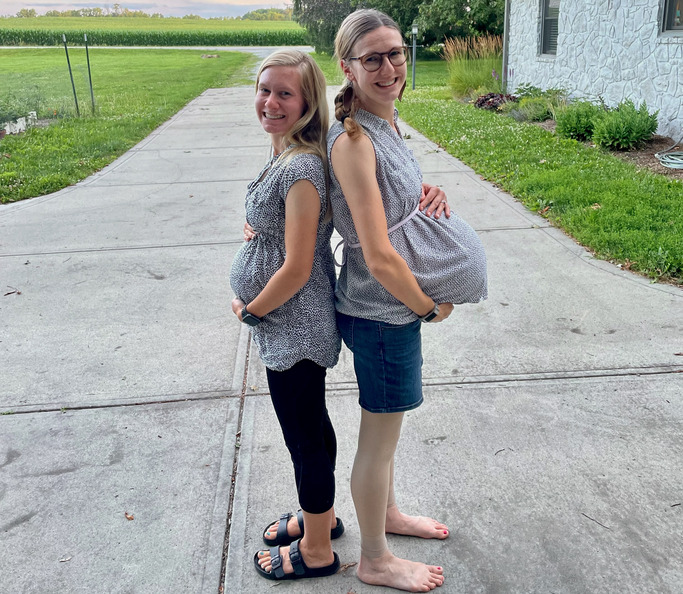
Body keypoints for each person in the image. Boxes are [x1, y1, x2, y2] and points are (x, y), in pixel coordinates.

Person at [328, 9, 488, 592]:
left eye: (395, 53)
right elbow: (375, 254)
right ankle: (374, 558)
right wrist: (428, 307)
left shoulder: (388, 124)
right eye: (372, 58)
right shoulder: (353, 140)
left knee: (387, 429)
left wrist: (424, 189)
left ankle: (389, 516)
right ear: (347, 67)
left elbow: (387, 206)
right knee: (378, 438)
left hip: (390, 311)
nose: (390, 66)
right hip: (382, 313)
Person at [229, 48, 343, 582]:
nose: (270, 102)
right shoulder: (285, 154)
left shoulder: (299, 167)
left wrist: (250, 311)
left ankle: (317, 550)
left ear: (306, 102)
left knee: (304, 438)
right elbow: (286, 232)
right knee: (312, 428)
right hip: (291, 323)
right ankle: (321, 519)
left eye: (285, 93)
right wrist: (258, 231)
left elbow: (297, 268)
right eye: (264, 89)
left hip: (293, 325)